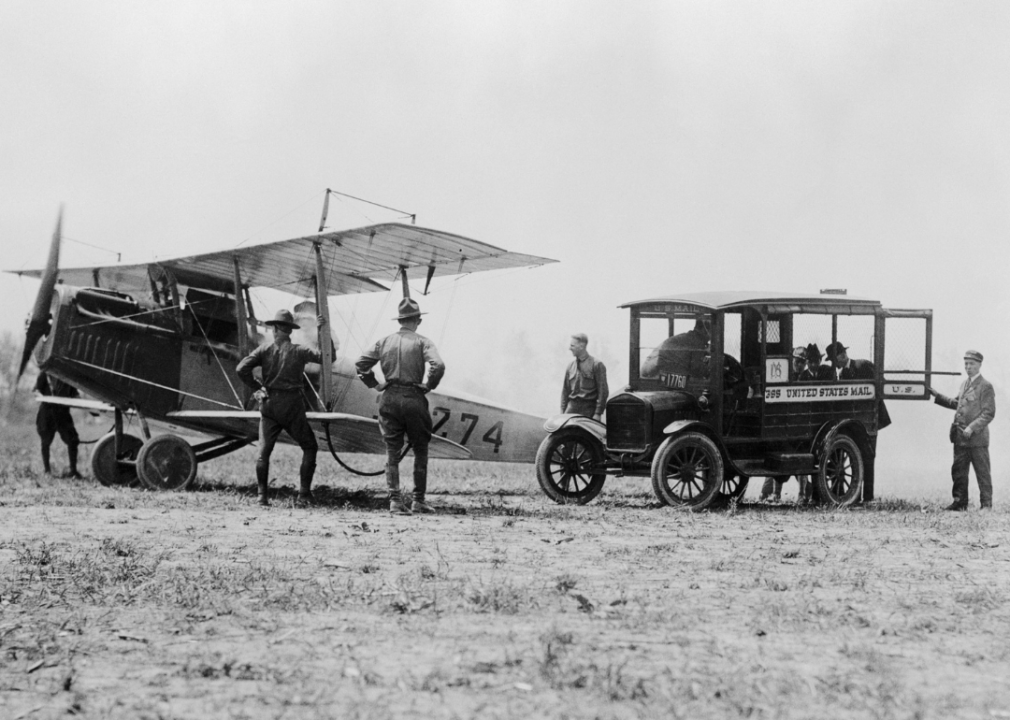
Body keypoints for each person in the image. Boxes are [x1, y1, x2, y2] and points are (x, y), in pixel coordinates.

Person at [356, 298, 445, 515]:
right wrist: (428, 385)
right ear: (418, 321)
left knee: (391, 451)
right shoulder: (423, 342)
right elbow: (438, 365)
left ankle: (395, 501)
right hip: (414, 398)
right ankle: (418, 501)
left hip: (389, 398)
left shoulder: (384, 341)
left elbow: (361, 364)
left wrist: (376, 385)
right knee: (420, 449)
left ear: (400, 320)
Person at [237, 309, 328, 506]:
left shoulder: (264, 350)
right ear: (289, 331)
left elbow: (241, 369)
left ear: (276, 329)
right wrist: (321, 331)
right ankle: (304, 494)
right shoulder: (299, 351)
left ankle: (262, 496)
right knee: (310, 446)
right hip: (292, 406)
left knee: (263, 452)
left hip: (269, 405)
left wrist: (257, 387)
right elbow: (326, 357)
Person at [928, 350, 996, 511]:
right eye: (966, 363)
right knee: (959, 471)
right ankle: (959, 502)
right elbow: (955, 403)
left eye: (972, 363)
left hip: (977, 439)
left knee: (982, 472)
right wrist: (937, 395)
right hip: (960, 437)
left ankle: (986, 505)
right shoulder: (964, 384)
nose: (968, 367)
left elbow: (988, 413)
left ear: (979, 365)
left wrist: (972, 427)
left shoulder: (986, 386)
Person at [34, 371, 82, 478]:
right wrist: (42, 397)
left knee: (73, 440)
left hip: (63, 414)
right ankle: (47, 471)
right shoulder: (44, 374)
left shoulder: (67, 376)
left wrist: (87, 406)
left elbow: (74, 393)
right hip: (47, 414)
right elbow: (37, 391)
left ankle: (73, 471)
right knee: (45, 442)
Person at [641, 318, 710, 380]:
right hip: (661, 373)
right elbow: (696, 368)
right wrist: (710, 368)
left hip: (645, 371)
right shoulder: (697, 341)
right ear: (705, 330)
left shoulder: (686, 337)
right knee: (696, 385)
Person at [560, 333, 608, 421]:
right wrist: (562, 412)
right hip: (571, 409)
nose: (569, 348)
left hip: (589, 410)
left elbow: (603, 391)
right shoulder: (570, 366)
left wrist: (598, 413)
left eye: (572, 346)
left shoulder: (597, 365)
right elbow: (565, 391)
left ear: (581, 346)